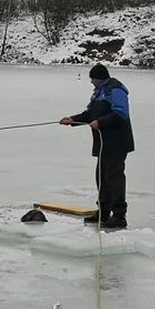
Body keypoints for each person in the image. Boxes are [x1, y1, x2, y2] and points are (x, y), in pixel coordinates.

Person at [60, 63, 135, 229]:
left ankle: (119, 216)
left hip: (117, 142)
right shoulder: (99, 92)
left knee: (114, 178)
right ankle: (103, 211)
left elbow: (121, 113)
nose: (91, 82)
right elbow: (90, 115)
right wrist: (72, 120)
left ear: (99, 78)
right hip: (103, 143)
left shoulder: (115, 90)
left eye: (92, 79)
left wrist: (100, 122)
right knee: (101, 177)